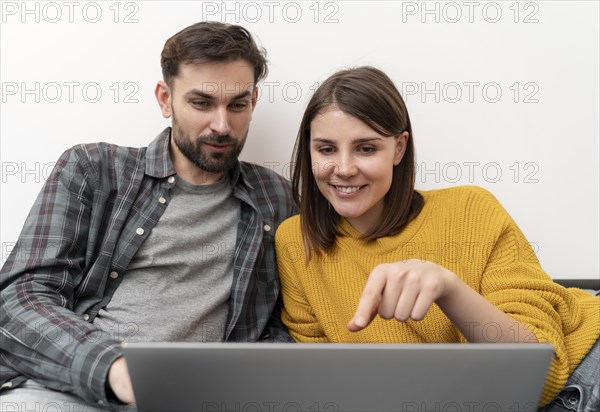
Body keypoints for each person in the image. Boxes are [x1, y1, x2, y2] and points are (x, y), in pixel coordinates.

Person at [0, 22, 295, 411]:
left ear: (254, 101)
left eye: (237, 104)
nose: (222, 125)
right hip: (70, 391)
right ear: (165, 99)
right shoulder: (93, 169)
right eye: (202, 103)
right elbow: (17, 302)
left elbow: (283, 322)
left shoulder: (274, 196)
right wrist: (117, 369)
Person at [274, 66, 600, 411]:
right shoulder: (295, 242)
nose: (343, 168)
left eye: (366, 149)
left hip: (580, 375)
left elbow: (537, 373)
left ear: (399, 149)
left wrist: (448, 288)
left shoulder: (471, 209)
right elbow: (329, 382)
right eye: (326, 149)